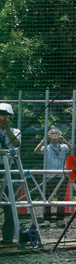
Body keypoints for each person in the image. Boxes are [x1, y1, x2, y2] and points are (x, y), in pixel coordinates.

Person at [34, 128, 71, 227]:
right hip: (48, 175)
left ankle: (60, 219)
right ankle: (47, 220)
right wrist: (43, 140)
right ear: (49, 136)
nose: (54, 136)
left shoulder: (63, 147)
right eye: (52, 134)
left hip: (61, 175)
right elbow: (36, 151)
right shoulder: (46, 147)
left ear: (59, 136)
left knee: (61, 199)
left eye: (56, 134)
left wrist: (64, 140)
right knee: (46, 198)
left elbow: (73, 150)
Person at [0, 103, 21, 244]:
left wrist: (6, 129)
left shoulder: (16, 131)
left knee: (9, 204)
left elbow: (15, 144)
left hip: (9, 169)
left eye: (5, 116)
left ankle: (7, 236)